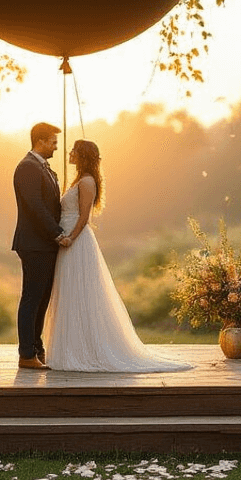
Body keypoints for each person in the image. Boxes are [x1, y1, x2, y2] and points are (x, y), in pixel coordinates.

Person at [45, 140, 191, 373]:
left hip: (75, 242)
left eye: (73, 150)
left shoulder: (87, 181)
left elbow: (84, 216)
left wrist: (70, 237)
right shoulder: (79, 180)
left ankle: (88, 349)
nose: (69, 153)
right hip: (66, 240)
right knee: (70, 291)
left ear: (82, 155)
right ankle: (73, 346)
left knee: (80, 291)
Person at [12, 122, 64, 370]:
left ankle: (37, 349)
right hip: (34, 243)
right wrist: (57, 233)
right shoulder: (28, 168)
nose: (56, 147)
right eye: (53, 142)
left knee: (42, 298)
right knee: (32, 298)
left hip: (44, 244)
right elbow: (36, 206)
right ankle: (26, 354)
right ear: (41, 141)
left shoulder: (44, 168)